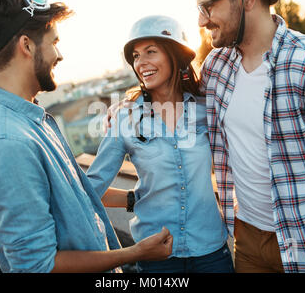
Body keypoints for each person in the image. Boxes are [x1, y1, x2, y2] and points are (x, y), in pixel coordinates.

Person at [0, 0, 173, 273]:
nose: (59, 54)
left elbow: (75, 191)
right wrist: (135, 252)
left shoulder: (29, 118)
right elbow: (38, 267)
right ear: (26, 45)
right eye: (54, 42)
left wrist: (135, 199)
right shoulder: (7, 144)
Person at [179, 0, 305, 273]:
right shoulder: (216, 67)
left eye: (208, 7)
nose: (202, 21)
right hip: (248, 244)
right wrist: (129, 106)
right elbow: (181, 108)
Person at [87, 15, 234, 273]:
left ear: (175, 55)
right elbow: (90, 189)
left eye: (150, 52)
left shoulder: (206, 108)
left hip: (212, 252)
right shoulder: (126, 118)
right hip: (156, 259)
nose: (141, 63)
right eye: (135, 56)